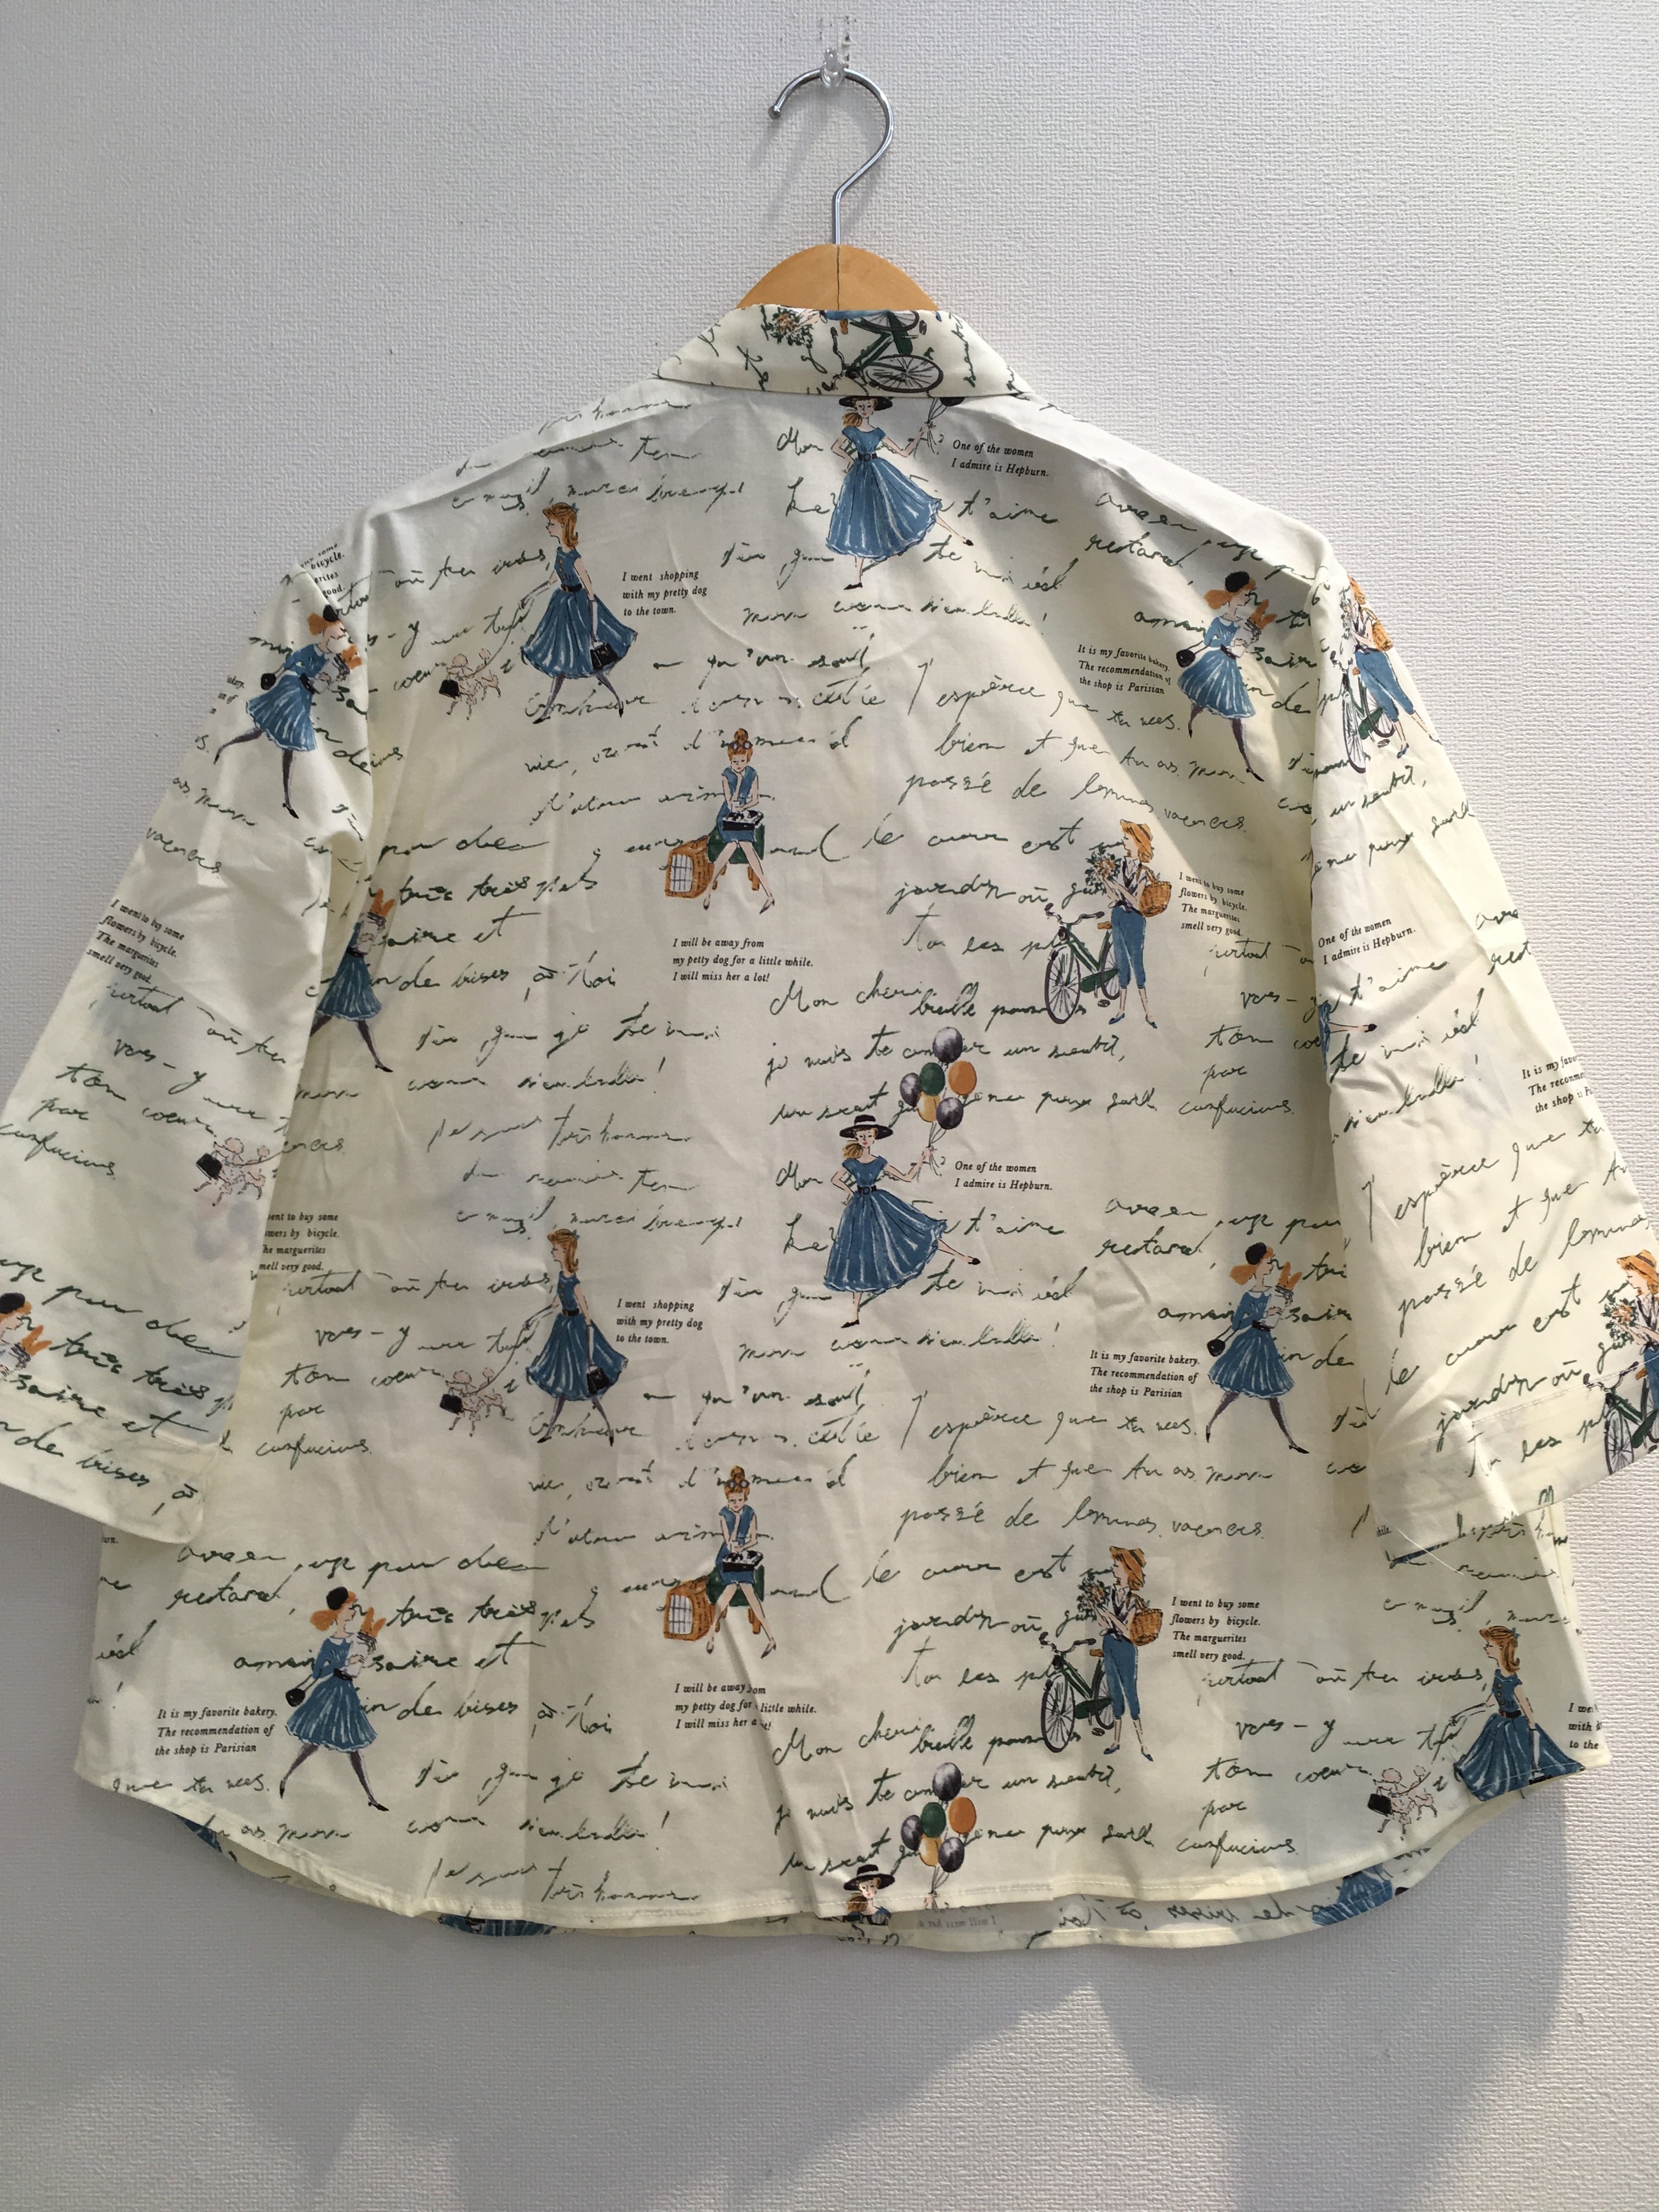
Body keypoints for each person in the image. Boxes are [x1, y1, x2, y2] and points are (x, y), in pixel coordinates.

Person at [824, 1113, 978, 1327]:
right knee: (859, 1256)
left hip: (881, 1204)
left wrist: (923, 1158)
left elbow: (906, 1177)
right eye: (861, 1136)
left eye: (869, 1135)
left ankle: (961, 1256)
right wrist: (850, 1192)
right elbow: (835, 1179)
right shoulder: (851, 1163)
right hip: (859, 1211)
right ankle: (854, 1315)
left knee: (918, 1232)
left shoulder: (880, 1162)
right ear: (856, 1138)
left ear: (875, 1137)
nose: (865, 1139)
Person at [213, 607, 361, 818]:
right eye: (340, 629)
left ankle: (287, 798)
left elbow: (322, 682)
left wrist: (333, 677)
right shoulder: (310, 650)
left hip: (304, 698)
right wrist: (274, 676)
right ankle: (226, 746)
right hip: (290, 693)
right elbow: (289, 664)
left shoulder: (332, 658)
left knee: (288, 747)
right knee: (265, 733)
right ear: (328, 629)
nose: (343, 633)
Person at [827, 396, 972, 586]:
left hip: (881, 472)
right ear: (855, 407)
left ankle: (958, 535)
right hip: (860, 478)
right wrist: (850, 460)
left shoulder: (878, 432)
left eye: (868, 406)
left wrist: (921, 433)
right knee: (860, 521)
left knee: (914, 502)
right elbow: (835, 448)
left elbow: (903, 452)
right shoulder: (851, 430)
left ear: (873, 409)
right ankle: (857, 579)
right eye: (860, 406)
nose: (864, 409)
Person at [277, 1587, 388, 1808]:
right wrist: (342, 1662)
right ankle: (286, 1777)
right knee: (313, 1743)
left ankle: (371, 1797)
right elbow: (318, 1672)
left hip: (347, 1693)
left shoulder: (357, 1639)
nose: (354, 1612)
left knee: (353, 1748)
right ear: (339, 1612)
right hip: (329, 1692)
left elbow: (356, 1667)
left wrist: (365, 1650)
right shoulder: (329, 1643)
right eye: (350, 1608)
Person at [522, 501, 634, 718]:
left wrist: (593, 631)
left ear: (564, 526)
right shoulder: (559, 552)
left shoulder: (575, 557)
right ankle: (547, 710)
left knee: (593, 664)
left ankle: (618, 697)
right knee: (561, 664)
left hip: (579, 609)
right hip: (561, 607)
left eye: (552, 524)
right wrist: (530, 596)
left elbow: (590, 592)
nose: (548, 527)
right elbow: (552, 580)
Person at [1452, 1624, 1583, 1801]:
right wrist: (1464, 1714)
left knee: (1516, 1764)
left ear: (1501, 1648)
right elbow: (1489, 1702)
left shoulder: (1513, 1680)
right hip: (1498, 1723)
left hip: (1515, 1727)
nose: (1486, 1648)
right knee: (1490, 1762)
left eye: (1489, 1645)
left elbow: (1525, 1705)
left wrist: (1532, 1728)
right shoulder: (1498, 1675)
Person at [524, 1229, 625, 1443]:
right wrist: (533, 1319)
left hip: (578, 1333)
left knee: (591, 1392)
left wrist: (589, 1357)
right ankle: (549, 1432)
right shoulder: (562, 1277)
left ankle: (609, 1428)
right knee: (562, 1387)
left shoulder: (575, 1283)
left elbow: (587, 1317)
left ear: (565, 1251)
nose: (552, 1252)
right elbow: (555, 1304)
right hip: (563, 1330)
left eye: (555, 1249)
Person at [1205, 1241, 1307, 1452]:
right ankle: (1211, 1423)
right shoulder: (1249, 1296)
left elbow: (1274, 1319)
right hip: (1249, 1343)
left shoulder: (1274, 1292)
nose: (1271, 1266)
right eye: (1268, 1263)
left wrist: (1277, 1308)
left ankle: (1290, 1440)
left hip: (1265, 1344)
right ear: (1258, 1266)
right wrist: (1250, 1320)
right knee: (1234, 1391)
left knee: (1272, 1395)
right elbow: (1237, 1324)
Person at [1176, 571, 1273, 780]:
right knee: (1200, 702)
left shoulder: (1244, 624)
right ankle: (1190, 724)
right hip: (1214, 663)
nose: (1248, 598)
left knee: (1236, 717)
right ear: (1234, 595)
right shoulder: (1219, 621)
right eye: (1245, 594)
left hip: (1230, 668)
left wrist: (1247, 639)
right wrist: (1190, 652)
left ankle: (1247, 762)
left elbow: (1240, 650)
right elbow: (1207, 643)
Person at [310, 890, 395, 1071]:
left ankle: (377, 1059)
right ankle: (304, 1044)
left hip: (357, 969)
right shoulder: (359, 925)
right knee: (329, 1014)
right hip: (348, 967)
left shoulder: (370, 927)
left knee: (356, 1017)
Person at [1081, 1553, 1154, 1760]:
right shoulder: (1109, 1594)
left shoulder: (1133, 1600)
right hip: (1110, 1645)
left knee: (1130, 1691)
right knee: (1115, 1691)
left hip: (1126, 1648)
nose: (1113, 1568)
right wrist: (1096, 1608)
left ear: (1128, 1571)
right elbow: (1104, 1624)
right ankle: (1116, 1741)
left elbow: (1126, 1630)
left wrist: (1108, 1615)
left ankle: (1143, 1744)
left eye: (1117, 1565)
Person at [1087, 821, 1159, 1029]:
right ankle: (1121, 1010)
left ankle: (1148, 1012)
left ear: (1138, 843)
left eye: (1127, 838)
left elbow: (1136, 902)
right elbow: (1114, 897)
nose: (1124, 841)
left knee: (1137, 962)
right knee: (1121, 963)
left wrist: (1118, 885)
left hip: (1135, 920)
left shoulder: (1143, 872)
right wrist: (1106, 880)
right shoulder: (1121, 866)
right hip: (1118, 916)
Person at [703, 1465, 776, 1656]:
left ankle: (771, 1638)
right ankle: (711, 1636)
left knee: (751, 1594)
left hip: (741, 1557)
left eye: (740, 1500)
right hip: (726, 1558)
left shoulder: (750, 1513)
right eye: (732, 1501)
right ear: (728, 1499)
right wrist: (736, 1523)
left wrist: (743, 1547)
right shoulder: (724, 1514)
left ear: (746, 1498)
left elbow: (754, 1539)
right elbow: (729, 1541)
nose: (736, 1504)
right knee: (729, 1590)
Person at [703, 729, 775, 912]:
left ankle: (769, 894)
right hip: (727, 816)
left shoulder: (753, 774)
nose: (739, 765)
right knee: (732, 845)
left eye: (742, 761)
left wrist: (744, 807)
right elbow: (730, 802)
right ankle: (709, 890)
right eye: (735, 762)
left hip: (742, 816)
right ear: (730, 760)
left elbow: (755, 799)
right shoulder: (726, 775)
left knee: (748, 848)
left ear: (748, 759)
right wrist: (740, 783)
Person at [842, 1858, 896, 1923]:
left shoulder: (884, 1913)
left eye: (872, 1886)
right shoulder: (853, 1913)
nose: (868, 1890)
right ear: (860, 1889)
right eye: (864, 1887)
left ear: (877, 1887)